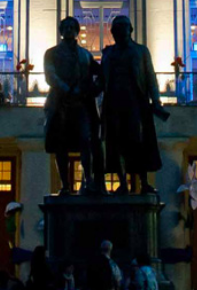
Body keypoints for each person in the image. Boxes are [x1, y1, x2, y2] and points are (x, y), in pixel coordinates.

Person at [100, 15, 170, 195]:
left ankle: (143, 183)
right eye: (116, 28)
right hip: (113, 103)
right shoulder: (108, 53)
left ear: (130, 30)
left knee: (139, 142)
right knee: (116, 144)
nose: (120, 31)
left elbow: (150, 77)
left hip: (136, 102)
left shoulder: (140, 51)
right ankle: (122, 183)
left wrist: (156, 101)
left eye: (123, 27)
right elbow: (100, 78)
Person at [44, 17, 105, 195]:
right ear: (61, 31)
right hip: (60, 102)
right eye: (66, 27)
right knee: (60, 145)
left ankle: (89, 180)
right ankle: (64, 185)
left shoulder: (85, 54)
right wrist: (68, 89)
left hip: (82, 104)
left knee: (86, 141)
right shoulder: (52, 53)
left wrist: (96, 88)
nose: (69, 30)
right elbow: (50, 75)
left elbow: (100, 72)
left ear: (77, 31)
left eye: (72, 27)